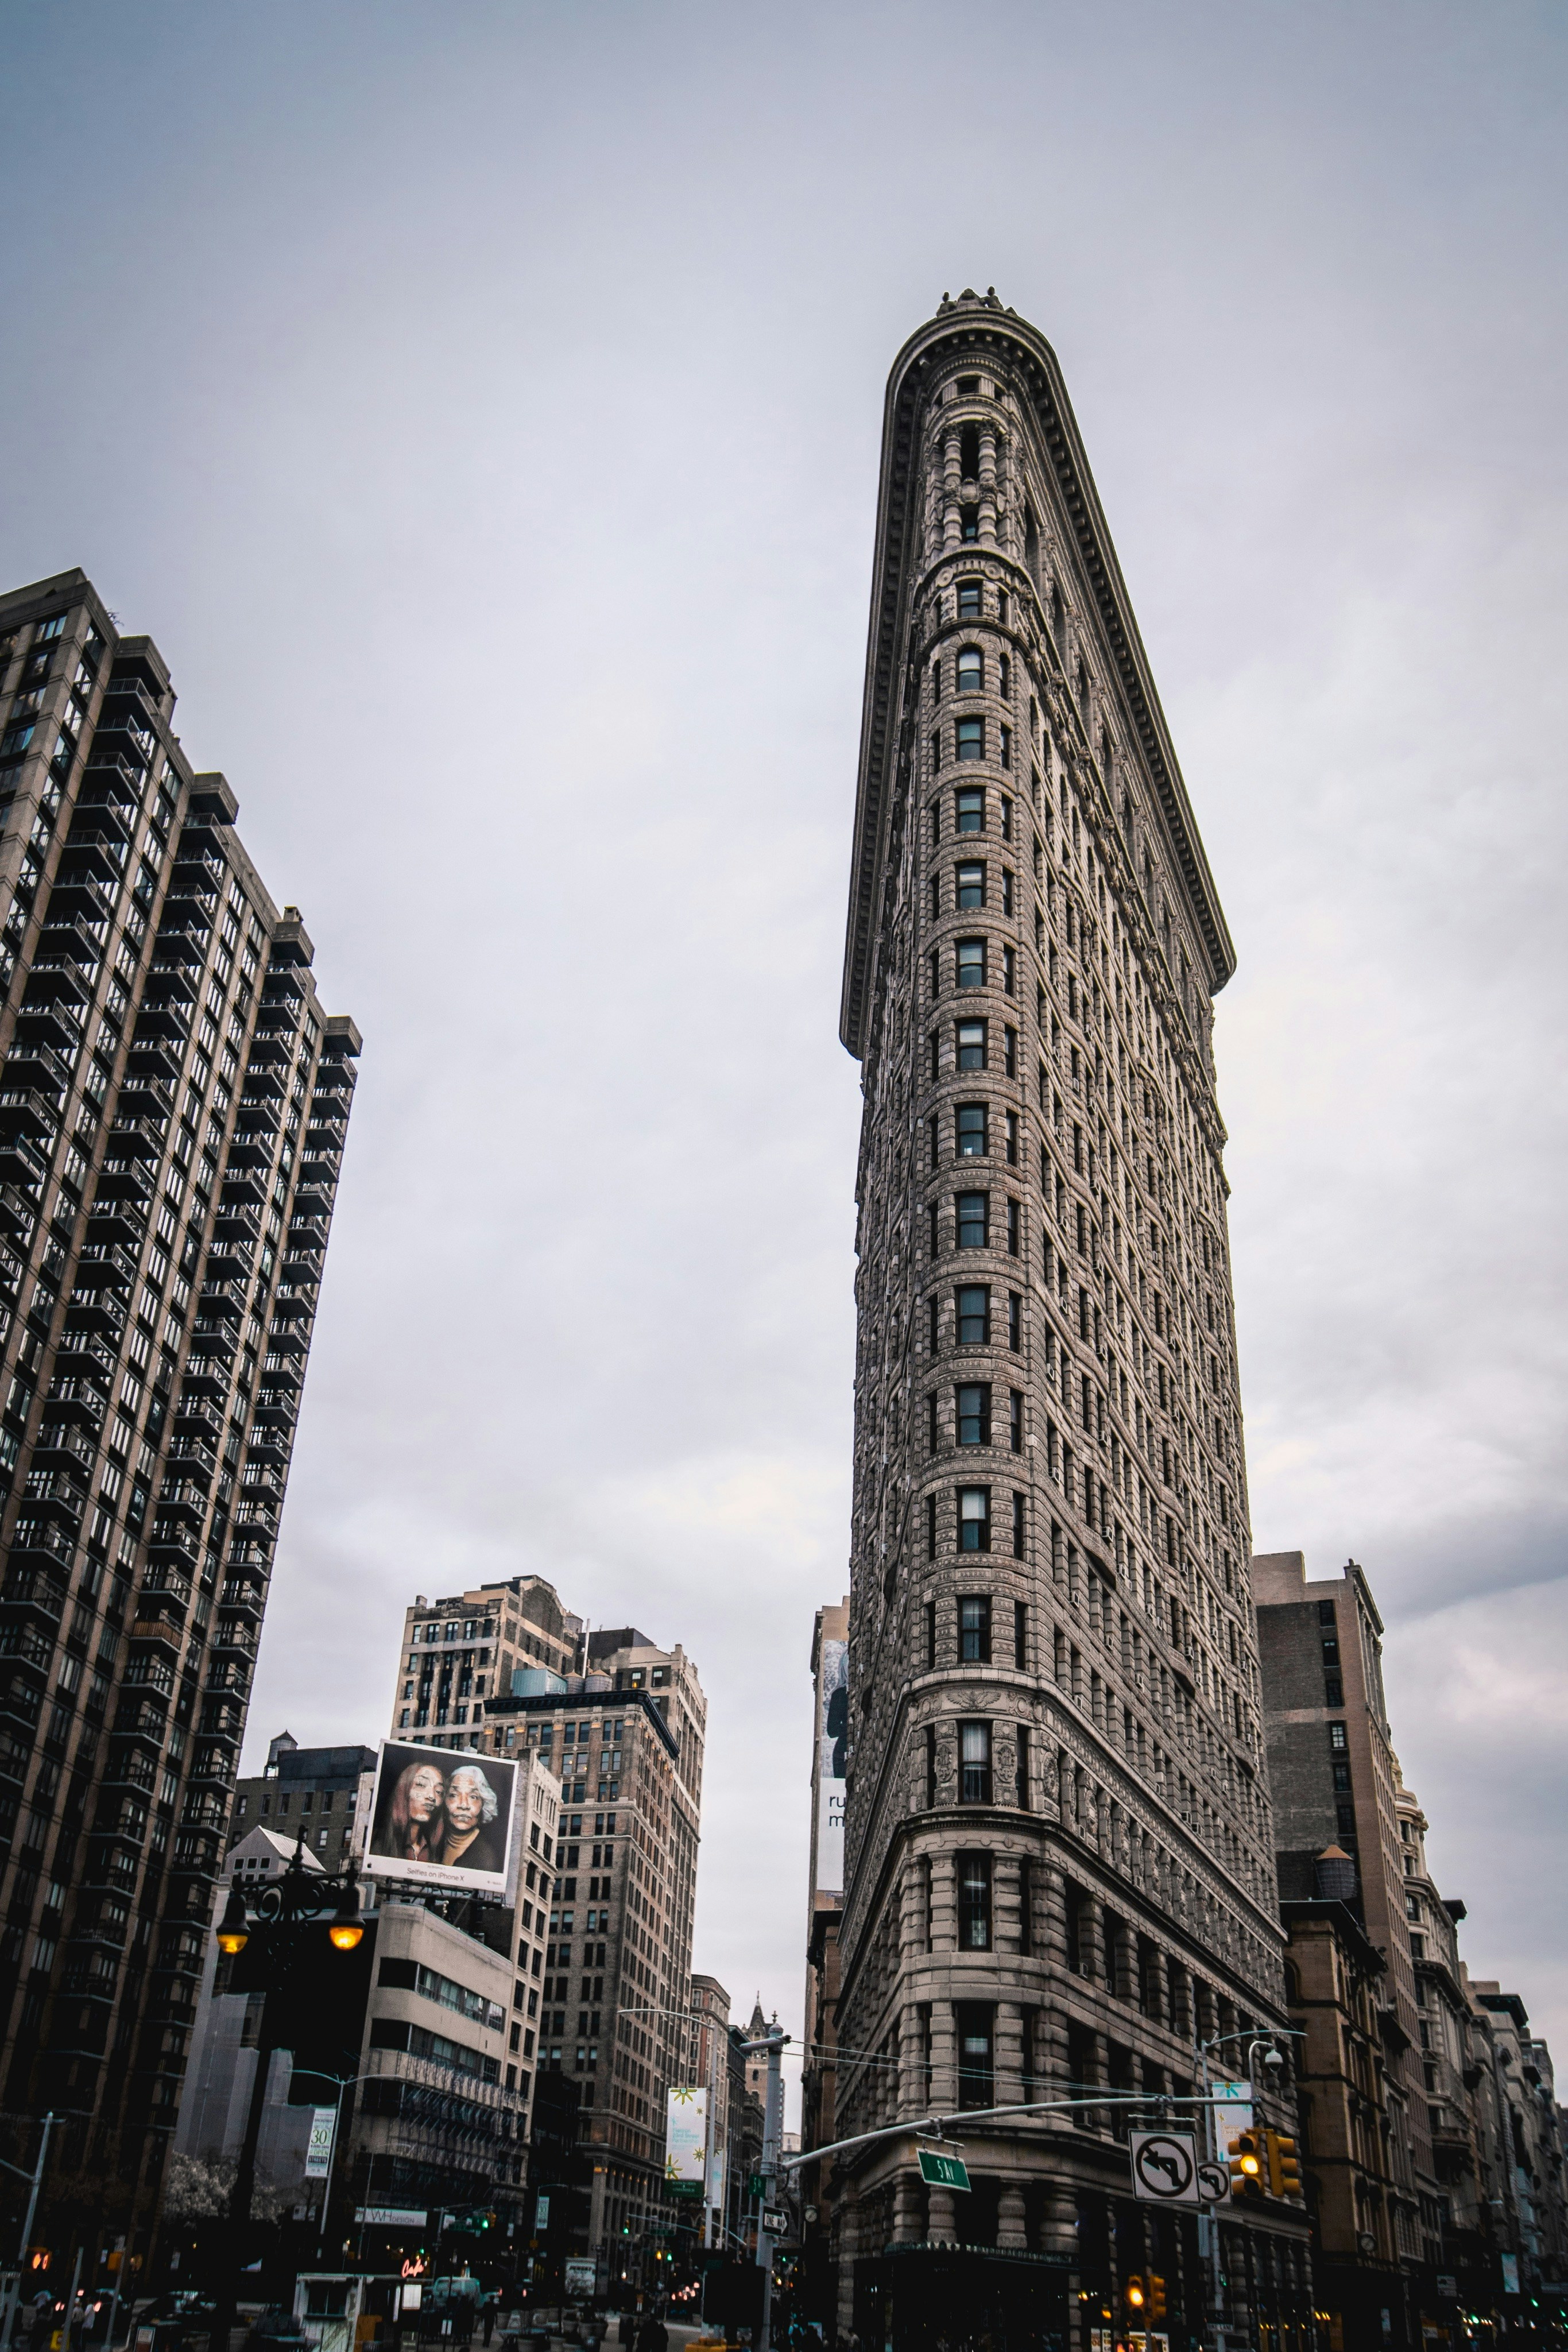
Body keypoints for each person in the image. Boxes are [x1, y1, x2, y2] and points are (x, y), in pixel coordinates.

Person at [442, 1765, 506, 1874]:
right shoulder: (432, 1842)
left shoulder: (487, 1860)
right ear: (444, 1800)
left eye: (473, 1797)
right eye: (454, 1795)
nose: (463, 1805)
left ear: (484, 1804)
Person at [381, 1760, 446, 1865]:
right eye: (421, 1785)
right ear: (403, 1790)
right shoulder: (379, 1845)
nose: (432, 1796)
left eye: (439, 1792)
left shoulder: (439, 1852)